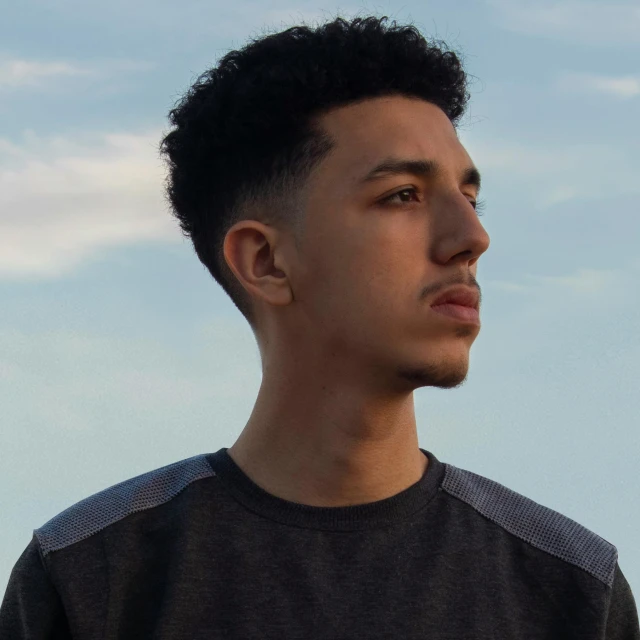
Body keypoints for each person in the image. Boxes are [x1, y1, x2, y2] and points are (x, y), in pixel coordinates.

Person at [1, 14, 638, 639]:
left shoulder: (572, 590)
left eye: (469, 199)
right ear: (266, 261)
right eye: (402, 195)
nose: (472, 238)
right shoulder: (92, 577)